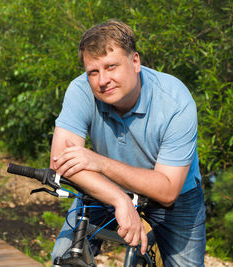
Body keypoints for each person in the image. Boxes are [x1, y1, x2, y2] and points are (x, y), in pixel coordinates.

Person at [50, 19, 206, 266]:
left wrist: (98, 162)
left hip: (174, 195)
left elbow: (167, 191)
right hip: (106, 188)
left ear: (135, 62)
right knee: (64, 256)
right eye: (93, 71)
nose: (102, 80)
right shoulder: (81, 90)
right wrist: (119, 199)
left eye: (111, 66)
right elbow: (60, 162)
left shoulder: (175, 102)